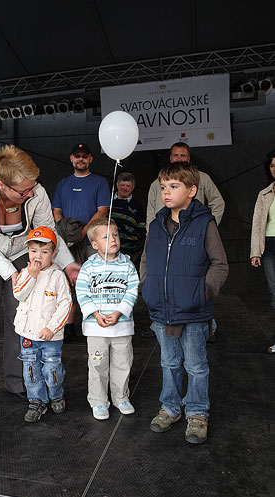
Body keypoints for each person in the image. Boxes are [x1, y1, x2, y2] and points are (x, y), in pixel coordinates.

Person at [0, 145, 79, 419]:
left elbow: (48, 234)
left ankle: (18, 383)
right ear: (2, 185)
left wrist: (68, 263)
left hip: (20, 252)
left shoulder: (35, 191)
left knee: (20, 313)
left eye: (32, 186)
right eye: (23, 190)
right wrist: (12, 273)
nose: (30, 192)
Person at [141, 162, 228, 444]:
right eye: (163, 187)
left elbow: (219, 264)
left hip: (192, 312)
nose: (166, 192)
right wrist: (147, 287)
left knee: (196, 365)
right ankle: (170, 408)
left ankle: (198, 412)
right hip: (162, 311)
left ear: (192, 190)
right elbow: (146, 260)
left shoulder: (204, 223)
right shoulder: (155, 225)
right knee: (169, 363)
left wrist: (201, 293)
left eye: (174, 186)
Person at [75, 218, 139, 420]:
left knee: (123, 364)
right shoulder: (88, 267)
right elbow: (82, 293)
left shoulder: (127, 265)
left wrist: (119, 312)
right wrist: (95, 314)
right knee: (97, 365)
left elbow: (133, 290)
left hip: (122, 328)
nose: (113, 239)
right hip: (96, 329)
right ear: (94, 245)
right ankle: (99, 401)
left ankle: (121, 398)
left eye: (115, 234)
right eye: (106, 237)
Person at [52, 143, 110, 341]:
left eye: (84, 156)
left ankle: (96, 322)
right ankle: (69, 327)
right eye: (77, 156)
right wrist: (66, 231)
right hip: (68, 244)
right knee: (69, 283)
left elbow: (102, 211)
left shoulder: (100, 182)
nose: (81, 159)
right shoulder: (62, 184)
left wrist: (83, 232)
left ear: (90, 159)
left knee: (95, 283)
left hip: (92, 242)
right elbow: (56, 212)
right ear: (71, 159)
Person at [13, 226, 72, 423]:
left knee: (51, 369)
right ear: (28, 252)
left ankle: (56, 394)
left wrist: (52, 327)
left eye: (44, 251)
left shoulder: (58, 276)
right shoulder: (25, 272)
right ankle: (36, 401)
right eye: (33, 251)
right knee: (31, 369)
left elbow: (65, 304)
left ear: (53, 253)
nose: (38, 256)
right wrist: (32, 275)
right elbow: (19, 294)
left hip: (50, 337)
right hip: (28, 334)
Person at [146, 142, 225, 228]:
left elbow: (218, 202)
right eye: (175, 155)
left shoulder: (201, 177)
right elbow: (150, 212)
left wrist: (207, 226)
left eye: (182, 155)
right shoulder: (157, 182)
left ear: (188, 158)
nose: (179, 159)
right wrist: (151, 232)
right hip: (163, 230)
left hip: (192, 229)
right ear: (170, 157)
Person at [250, 150, 275, 353]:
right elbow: (257, 225)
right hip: (269, 247)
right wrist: (255, 252)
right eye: (273, 165)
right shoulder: (264, 193)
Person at [111, 172, 146, 269]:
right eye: (122, 185)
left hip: (129, 250)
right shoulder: (108, 202)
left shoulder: (137, 206)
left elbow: (142, 227)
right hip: (109, 248)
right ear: (117, 185)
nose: (125, 188)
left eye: (128, 186)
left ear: (133, 187)